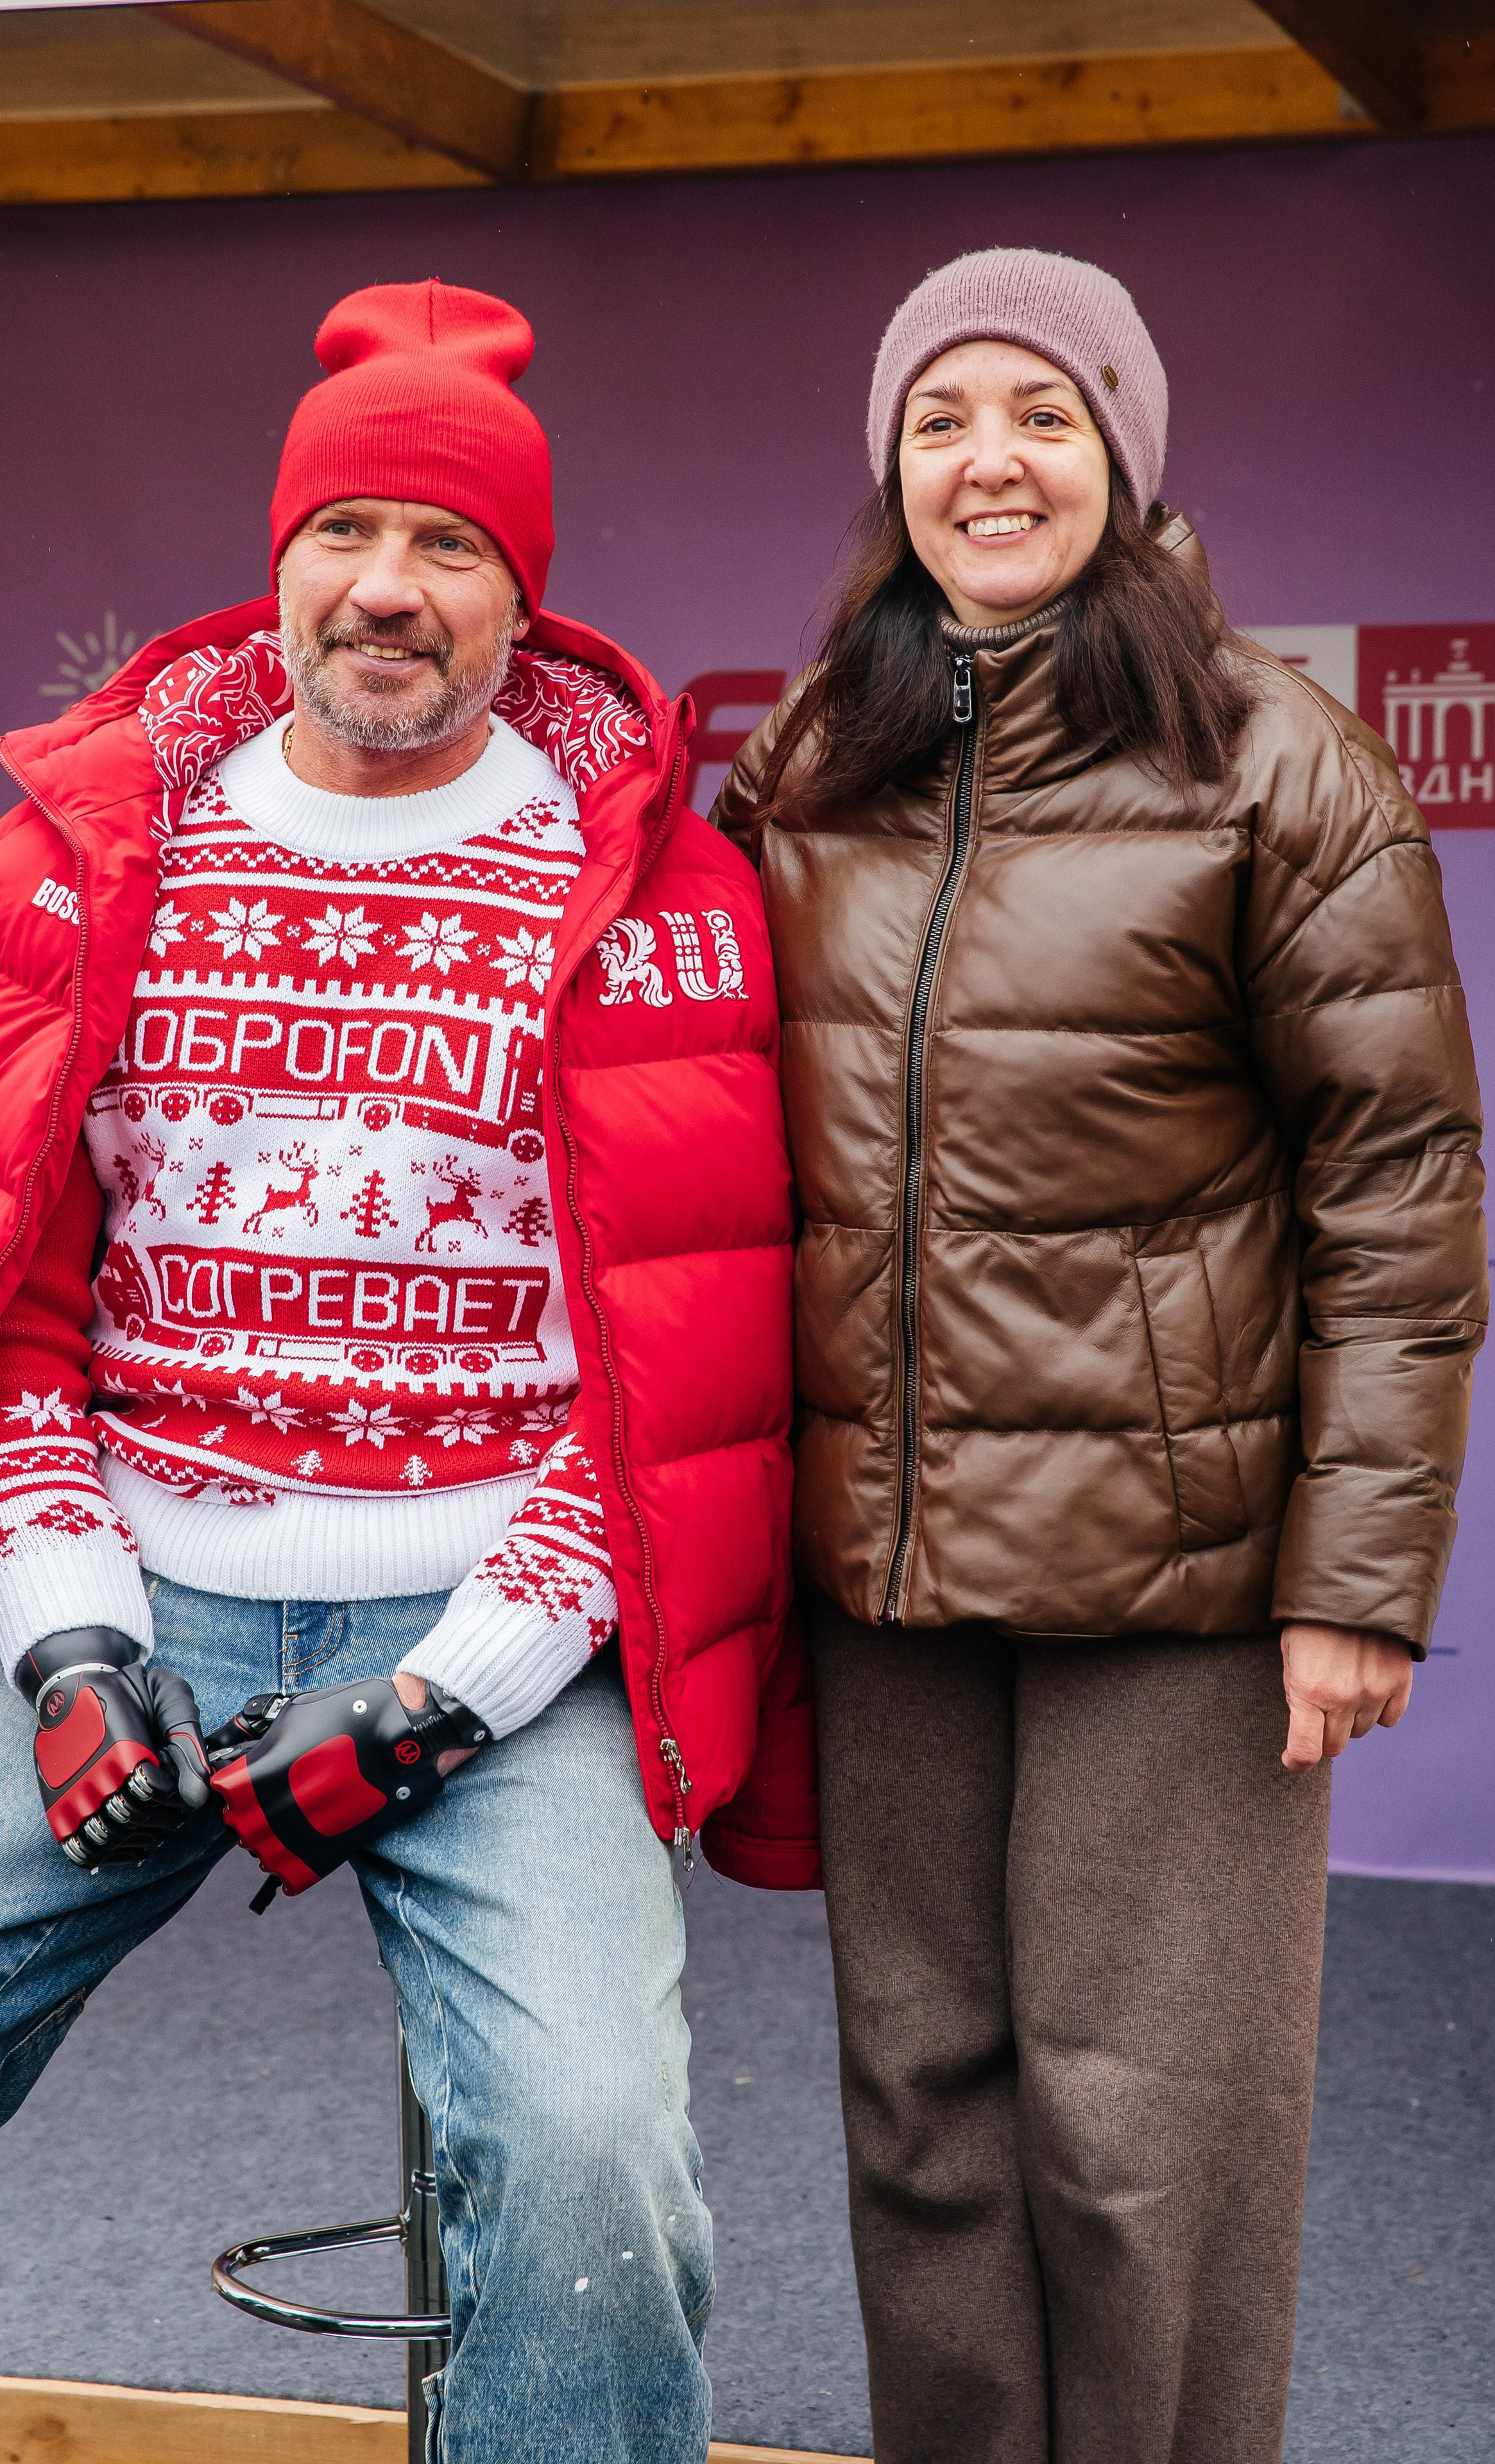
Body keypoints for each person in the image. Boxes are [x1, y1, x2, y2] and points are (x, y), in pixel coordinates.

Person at [0, 278, 818, 2464]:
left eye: (451, 545)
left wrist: (439, 1698)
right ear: (277, 562)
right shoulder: (86, 866)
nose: (389, 588)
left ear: (523, 597)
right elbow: (6, 1317)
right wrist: (76, 1643)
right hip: (132, 1593)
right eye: (347, 533)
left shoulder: (649, 896)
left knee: (585, 2166)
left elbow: (658, 1394)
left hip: (494, 1633)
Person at [715, 247, 1485, 2464]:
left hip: (1187, 1570)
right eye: (946, 414)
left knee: (1140, 2139)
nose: (992, 460)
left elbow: (1404, 1188)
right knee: (927, 2118)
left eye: (1046, 416)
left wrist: (1357, 1576)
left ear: (1128, 467)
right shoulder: (814, 763)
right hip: (893, 1565)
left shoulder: (1277, 758)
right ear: (895, 464)